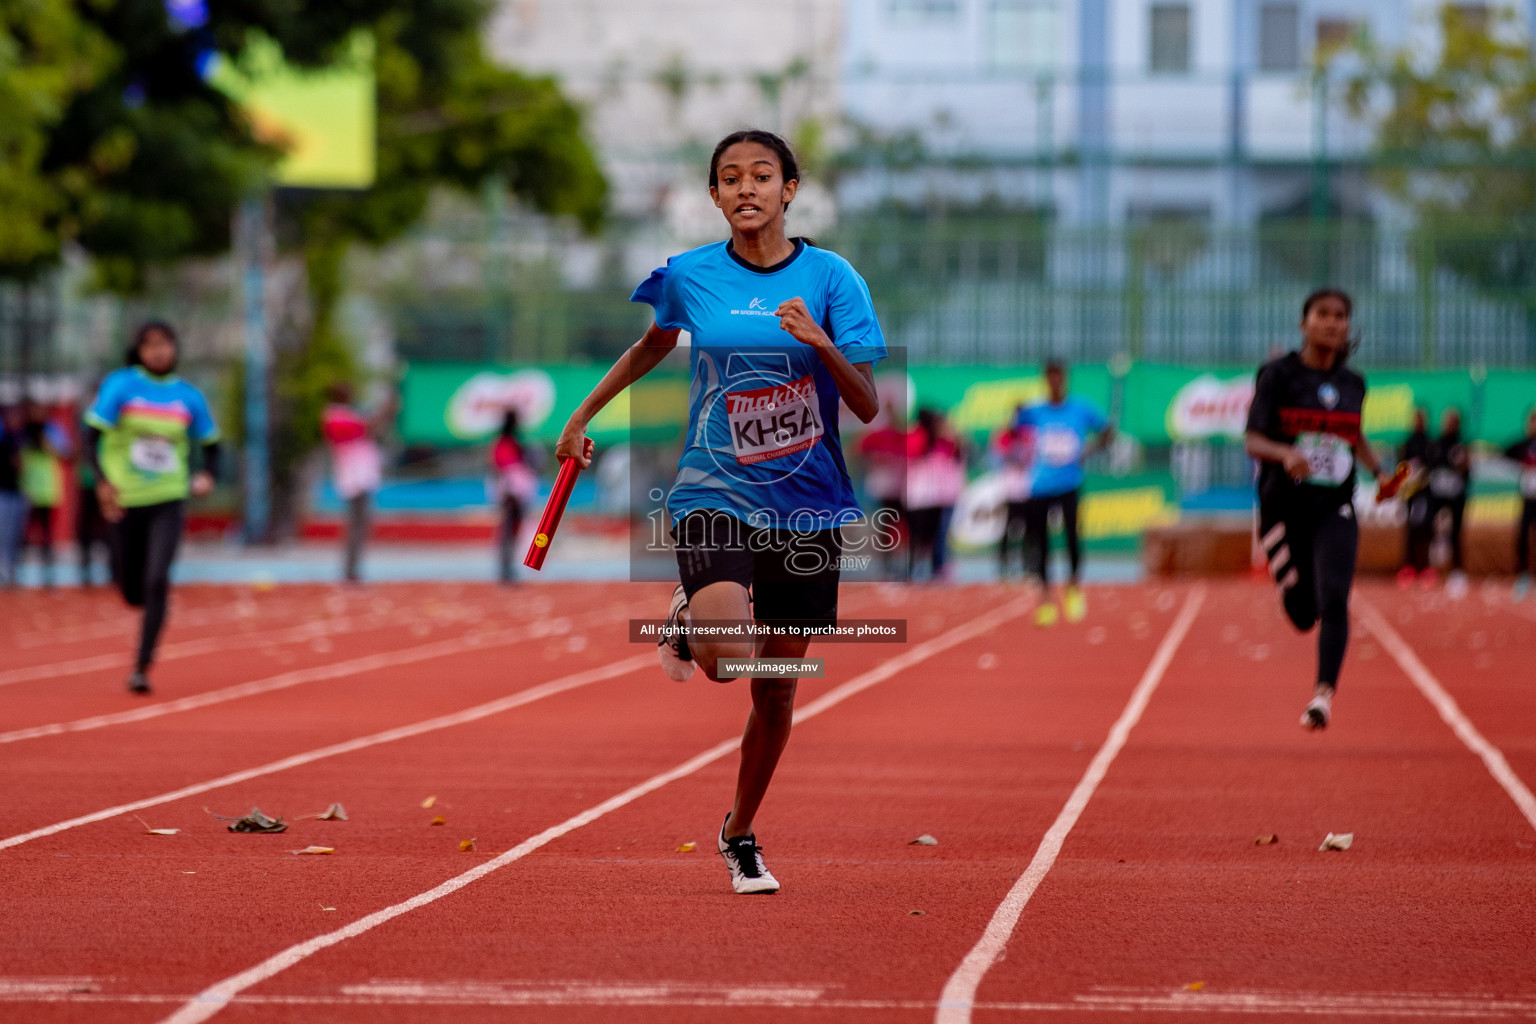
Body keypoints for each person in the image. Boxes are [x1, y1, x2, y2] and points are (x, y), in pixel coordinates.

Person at [554, 129, 885, 895]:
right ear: (713, 196)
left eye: (761, 176)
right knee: (723, 663)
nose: (746, 189)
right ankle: (689, 614)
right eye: (729, 178)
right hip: (714, 492)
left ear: (789, 189)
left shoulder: (835, 280)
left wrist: (818, 342)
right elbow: (650, 346)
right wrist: (581, 416)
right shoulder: (690, 275)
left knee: (776, 687)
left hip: (807, 505)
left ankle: (739, 832)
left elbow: (865, 405)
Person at [1245, 288, 1393, 730]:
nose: (1332, 322)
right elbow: (1252, 440)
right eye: (1322, 314)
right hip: (1283, 506)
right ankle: (1289, 581)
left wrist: (1381, 473)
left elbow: (1353, 434)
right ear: (1303, 322)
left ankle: (1323, 696)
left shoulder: (1353, 383)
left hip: (1335, 504)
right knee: (1303, 612)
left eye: (1340, 316)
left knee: (1335, 596)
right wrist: (1284, 454)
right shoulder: (1277, 375)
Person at [84, 322, 220, 694]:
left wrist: (207, 474)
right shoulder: (122, 385)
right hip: (125, 499)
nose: (159, 351)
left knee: (158, 578)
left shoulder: (188, 395)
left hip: (169, 497)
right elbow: (90, 437)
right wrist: (102, 481)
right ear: (139, 350)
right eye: (150, 345)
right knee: (132, 589)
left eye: (165, 344)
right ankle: (139, 595)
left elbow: (211, 443)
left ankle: (142, 665)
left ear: (176, 348)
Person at [1017, 360, 1113, 625]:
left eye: (1060, 378)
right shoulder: (1035, 412)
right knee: (1040, 543)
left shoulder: (1081, 408)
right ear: (1046, 380)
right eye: (1051, 378)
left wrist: (1089, 451)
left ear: (1066, 380)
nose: (1056, 383)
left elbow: (1108, 431)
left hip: (1070, 483)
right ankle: (1046, 597)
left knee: (1072, 538)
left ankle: (1072, 586)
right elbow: (1012, 430)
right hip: (1040, 486)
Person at [320, 382, 390, 584]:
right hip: (354, 478)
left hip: (361, 476)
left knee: (360, 525)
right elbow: (366, 428)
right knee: (357, 526)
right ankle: (350, 571)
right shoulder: (335, 416)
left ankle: (353, 569)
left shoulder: (345, 414)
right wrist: (385, 409)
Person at [904, 408, 965, 581]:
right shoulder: (919, 437)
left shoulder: (942, 441)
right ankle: (916, 568)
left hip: (933, 496)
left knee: (934, 535)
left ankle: (933, 567)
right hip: (918, 496)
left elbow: (958, 451)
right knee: (919, 537)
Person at [19, 401, 72, 589]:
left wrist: (47, 444)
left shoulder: (52, 429)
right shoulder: (22, 431)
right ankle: (19, 573)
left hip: (48, 489)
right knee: (22, 532)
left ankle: (49, 573)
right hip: (25, 489)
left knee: (47, 532)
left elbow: (67, 453)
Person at [855, 400, 908, 575]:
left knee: (900, 524)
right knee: (886, 524)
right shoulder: (878, 434)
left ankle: (898, 560)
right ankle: (888, 562)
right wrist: (870, 464)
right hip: (883, 486)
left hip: (899, 487)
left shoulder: (900, 434)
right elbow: (857, 450)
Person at [490, 409, 540, 584]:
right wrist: (512, 493)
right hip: (512, 492)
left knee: (511, 531)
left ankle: (508, 568)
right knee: (509, 531)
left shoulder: (511, 442)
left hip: (513, 491)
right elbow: (505, 469)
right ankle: (505, 569)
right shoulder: (506, 443)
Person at [1425, 407, 1471, 597]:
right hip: (1436, 496)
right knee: (1432, 530)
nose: (1448, 425)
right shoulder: (1435, 444)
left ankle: (1457, 572)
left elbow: (1468, 472)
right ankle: (1431, 570)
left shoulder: (1462, 446)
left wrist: (1463, 464)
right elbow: (1429, 468)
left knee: (1456, 534)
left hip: (1455, 497)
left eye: (1452, 422)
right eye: (1446, 421)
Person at [994, 403, 1034, 580]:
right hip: (1010, 489)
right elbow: (998, 454)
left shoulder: (1030, 434)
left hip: (1026, 489)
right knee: (1008, 528)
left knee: (1028, 529)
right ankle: (1003, 562)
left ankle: (1028, 562)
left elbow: (1031, 456)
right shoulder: (1007, 435)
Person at [1397, 407, 1433, 588]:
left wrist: (1423, 477)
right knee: (1410, 530)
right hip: (1410, 494)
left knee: (1425, 530)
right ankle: (1408, 567)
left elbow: (1432, 468)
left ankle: (1425, 568)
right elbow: (1400, 468)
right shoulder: (1407, 443)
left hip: (1424, 495)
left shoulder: (1429, 443)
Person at [1504, 408, 1536, 601]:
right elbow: (1505, 453)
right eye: (1532, 421)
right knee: (1523, 534)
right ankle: (1523, 574)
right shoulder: (1523, 445)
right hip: (1528, 498)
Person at [0, 407, 23, 587]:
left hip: (15, 492)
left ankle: (10, 571)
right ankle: (6, 572)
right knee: (5, 534)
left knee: (13, 535)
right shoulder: (5, 440)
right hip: (4, 494)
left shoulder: (17, 439)